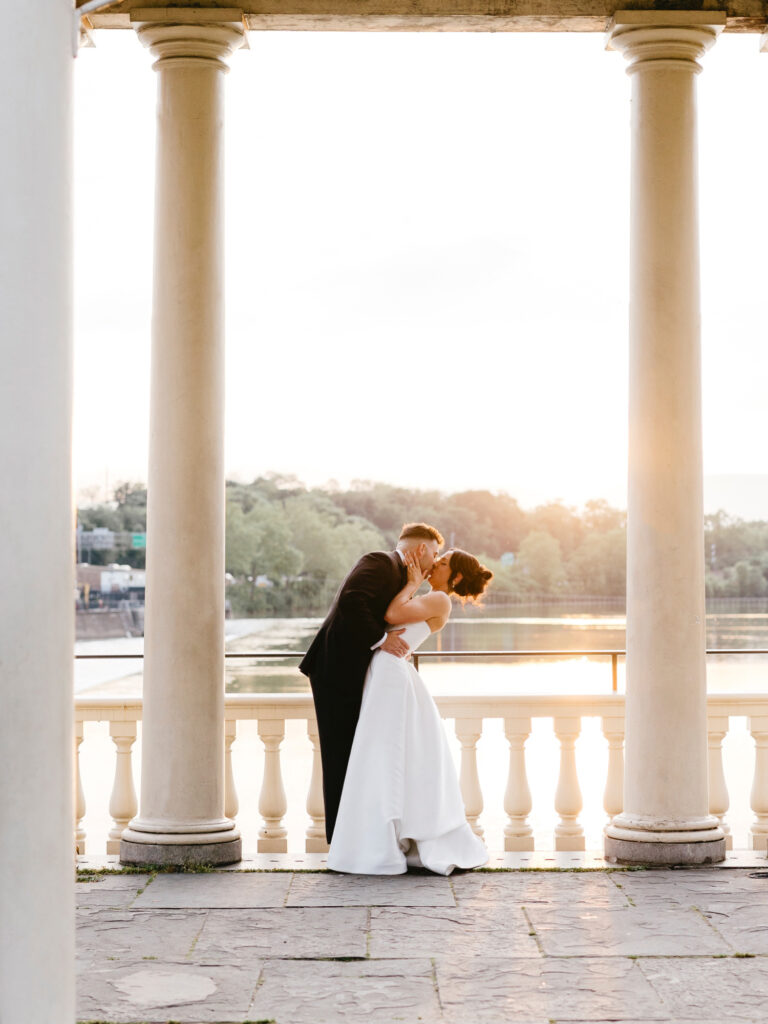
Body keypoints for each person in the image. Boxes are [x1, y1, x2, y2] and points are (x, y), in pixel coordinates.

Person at [326, 547, 494, 875]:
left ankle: (388, 840)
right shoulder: (432, 598)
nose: (434, 565)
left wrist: (411, 583)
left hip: (391, 672)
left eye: (442, 564)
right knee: (380, 754)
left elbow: (391, 615)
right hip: (386, 669)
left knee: (383, 753)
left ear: (456, 577)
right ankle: (382, 837)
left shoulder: (441, 600)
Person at [299, 523, 444, 845]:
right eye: (434, 553)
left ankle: (358, 837)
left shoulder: (402, 577)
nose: (435, 561)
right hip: (335, 670)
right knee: (340, 755)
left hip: (358, 672)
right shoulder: (379, 561)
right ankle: (340, 842)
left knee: (359, 754)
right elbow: (352, 601)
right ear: (421, 550)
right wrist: (381, 640)